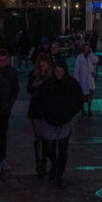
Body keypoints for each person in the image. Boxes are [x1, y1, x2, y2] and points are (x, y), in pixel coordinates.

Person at [31, 60, 82, 188]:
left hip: (65, 120)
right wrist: (43, 113)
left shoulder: (72, 84)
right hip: (50, 120)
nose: (59, 74)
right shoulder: (48, 84)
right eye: (57, 71)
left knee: (63, 148)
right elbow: (38, 98)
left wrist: (70, 113)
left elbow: (78, 100)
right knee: (49, 148)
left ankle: (59, 176)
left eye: (61, 72)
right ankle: (55, 164)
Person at [0, 49, 19, 173]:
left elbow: (15, 88)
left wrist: (11, 102)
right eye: (0, 60)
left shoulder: (11, 72)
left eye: (4, 60)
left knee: (3, 134)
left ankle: (1, 158)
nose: (2, 63)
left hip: (6, 108)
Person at [26, 52, 53, 177]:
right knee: (38, 137)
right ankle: (38, 164)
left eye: (44, 65)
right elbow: (29, 89)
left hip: (47, 108)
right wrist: (35, 85)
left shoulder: (51, 76)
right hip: (36, 108)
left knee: (47, 137)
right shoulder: (33, 74)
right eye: (41, 65)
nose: (43, 68)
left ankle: (44, 162)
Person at [72, 39, 98, 115]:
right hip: (82, 79)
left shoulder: (91, 57)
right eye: (85, 48)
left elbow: (96, 60)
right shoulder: (79, 58)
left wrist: (91, 53)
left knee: (90, 94)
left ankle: (89, 109)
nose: (87, 50)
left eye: (88, 48)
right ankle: (82, 109)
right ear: (83, 49)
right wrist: (76, 80)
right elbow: (76, 70)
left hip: (90, 78)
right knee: (83, 96)